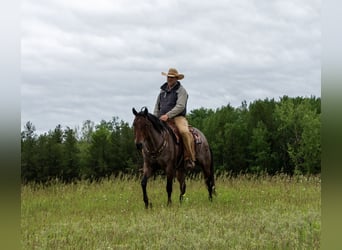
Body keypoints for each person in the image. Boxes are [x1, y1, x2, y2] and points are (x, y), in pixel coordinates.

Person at [153, 68, 196, 169]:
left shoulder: (181, 91)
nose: (169, 79)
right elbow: (157, 106)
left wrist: (168, 115)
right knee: (150, 131)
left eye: (172, 77)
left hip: (178, 117)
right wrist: (155, 118)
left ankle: (189, 158)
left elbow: (180, 106)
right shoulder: (162, 91)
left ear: (176, 78)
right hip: (162, 118)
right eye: (168, 77)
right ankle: (150, 159)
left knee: (184, 132)